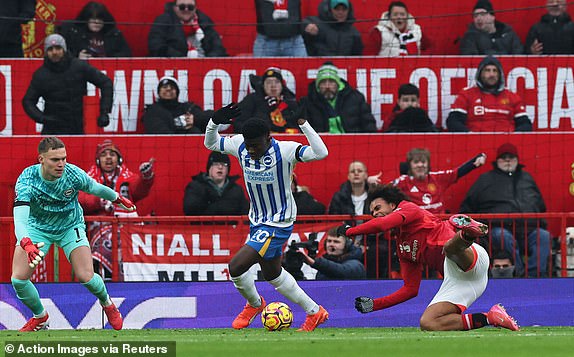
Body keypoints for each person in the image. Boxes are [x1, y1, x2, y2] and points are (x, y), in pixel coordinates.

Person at [205, 104, 330, 332]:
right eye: (249, 146)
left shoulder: (285, 150)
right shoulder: (240, 145)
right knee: (273, 274)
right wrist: (214, 122)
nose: (251, 150)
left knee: (236, 267)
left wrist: (303, 124)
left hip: (278, 222)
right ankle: (315, 311)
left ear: (268, 137)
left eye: (255, 145)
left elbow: (321, 153)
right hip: (258, 221)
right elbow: (211, 143)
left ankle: (254, 304)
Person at [340, 184, 520, 331]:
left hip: (470, 255)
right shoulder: (403, 248)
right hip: (463, 281)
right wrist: (375, 305)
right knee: (428, 323)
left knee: (449, 249)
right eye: (372, 213)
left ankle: (468, 233)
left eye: (378, 208)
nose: (375, 214)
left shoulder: (409, 209)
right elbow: (410, 289)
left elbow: (382, 225)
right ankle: (492, 317)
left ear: (393, 205)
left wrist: (350, 231)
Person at [12, 137, 136, 332]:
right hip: (37, 228)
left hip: (70, 226)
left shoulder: (72, 174)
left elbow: (94, 188)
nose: (61, 164)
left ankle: (108, 303)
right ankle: (40, 317)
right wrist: (26, 242)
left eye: (64, 158)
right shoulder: (27, 180)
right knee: (18, 279)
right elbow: (19, 219)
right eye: (55, 160)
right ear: (41, 160)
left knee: (85, 276)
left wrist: (118, 198)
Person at [460, 143, 551, 278]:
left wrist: (541, 223)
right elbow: (468, 205)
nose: (508, 160)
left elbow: (540, 205)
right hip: (499, 228)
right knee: (502, 236)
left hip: (528, 228)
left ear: (517, 160)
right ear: (497, 161)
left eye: (511, 157)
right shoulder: (485, 179)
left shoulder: (527, 178)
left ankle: (534, 277)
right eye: (504, 157)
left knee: (543, 236)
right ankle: (519, 276)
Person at [79, 140, 155, 280]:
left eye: (112, 154)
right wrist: (99, 201)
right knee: (106, 242)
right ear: (98, 160)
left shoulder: (127, 177)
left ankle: (124, 279)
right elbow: (81, 199)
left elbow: (139, 190)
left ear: (119, 159)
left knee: (123, 240)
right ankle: (104, 277)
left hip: (125, 228)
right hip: (98, 228)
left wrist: (146, 178)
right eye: (104, 155)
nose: (108, 158)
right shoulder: (87, 179)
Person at [22, 34, 113, 135]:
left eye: (58, 48)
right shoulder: (41, 75)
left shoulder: (79, 67)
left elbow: (106, 83)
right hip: (52, 129)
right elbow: (28, 101)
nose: (54, 52)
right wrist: (42, 118)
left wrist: (104, 111)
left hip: (78, 127)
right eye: (50, 49)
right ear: (46, 52)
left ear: (64, 49)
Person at [446, 55, 532, 132]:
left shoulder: (511, 96)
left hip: (506, 144)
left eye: (495, 71)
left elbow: (525, 124)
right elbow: (453, 122)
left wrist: (513, 137)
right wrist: (470, 136)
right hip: (475, 145)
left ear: (500, 74)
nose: (492, 74)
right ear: (480, 74)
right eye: (487, 70)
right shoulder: (467, 94)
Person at [391, 148, 486, 214]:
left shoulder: (437, 178)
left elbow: (458, 172)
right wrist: (375, 182)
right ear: (410, 166)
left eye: (423, 162)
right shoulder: (402, 182)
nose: (420, 165)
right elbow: (384, 191)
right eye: (416, 162)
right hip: (415, 227)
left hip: (439, 225)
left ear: (428, 165)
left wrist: (477, 159)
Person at [299, 62, 377, 133]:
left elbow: (368, 124)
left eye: (331, 82)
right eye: (323, 82)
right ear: (318, 86)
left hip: (354, 143)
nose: (327, 86)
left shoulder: (356, 98)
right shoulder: (307, 102)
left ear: (338, 84)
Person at [148, 0, 227, 57]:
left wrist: (209, 61)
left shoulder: (205, 23)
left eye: (190, 7)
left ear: (195, 8)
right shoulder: (163, 22)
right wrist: (183, 58)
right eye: (182, 7)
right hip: (175, 66)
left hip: (204, 65)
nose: (186, 10)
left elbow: (218, 47)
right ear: (174, 8)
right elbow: (156, 46)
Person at [234, 67, 300, 134]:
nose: (273, 85)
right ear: (263, 85)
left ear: (282, 85)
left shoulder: (290, 101)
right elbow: (238, 123)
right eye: (269, 82)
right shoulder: (252, 99)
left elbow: (298, 125)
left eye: (277, 82)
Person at [183, 151, 248, 216]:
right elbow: (189, 210)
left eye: (224, 164)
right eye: (216, 164)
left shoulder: (237, 190)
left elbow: (245, 213)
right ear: (209, 168)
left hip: (231, 226)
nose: (220, 167)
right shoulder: (195, 187)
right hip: (204, 225)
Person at [58, 1, 131, 59]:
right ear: (86, 19)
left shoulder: (114, 34)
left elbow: (127, 54)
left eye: (100, 19)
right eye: (93, 18)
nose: (97, 22)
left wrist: (107, 59)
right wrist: (77, 57)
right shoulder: (72, 32)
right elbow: (59, 55)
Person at [142, 76, 213, 134]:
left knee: (194, 130)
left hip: (191, 148)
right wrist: (179, 125)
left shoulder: (188, 108)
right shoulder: (152, 111)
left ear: (177, 92)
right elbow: (160, 132)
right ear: (159, 92)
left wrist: (195, 119)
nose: (168, 89)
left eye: (172, 87)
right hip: (163, 148)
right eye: (164, 87)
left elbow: (214, 118)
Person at [299, 227, 366, 280]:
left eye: (336, 242)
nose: (331, 244)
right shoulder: (325, 265)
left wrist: (315, 262)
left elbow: (341, 271)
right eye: (329, 241)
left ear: (347, 245)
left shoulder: (356, 265)